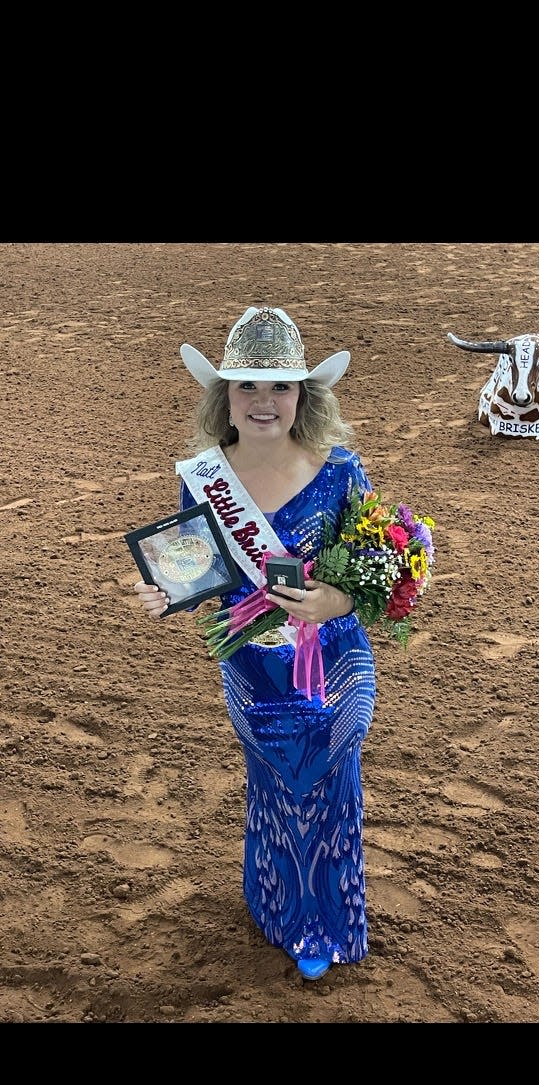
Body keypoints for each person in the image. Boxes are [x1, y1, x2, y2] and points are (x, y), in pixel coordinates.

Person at [134, 305, 376, 981]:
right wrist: (165, 593)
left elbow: (376, 574)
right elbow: (197, 571)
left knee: (326, 780)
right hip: (250, 670)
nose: (263, 401)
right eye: (247, 386)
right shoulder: (201, 478)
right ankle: (275, 903)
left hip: (334, 664)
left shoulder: (341, 471)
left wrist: (334, 600)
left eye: (280, 387)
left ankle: (322, 922)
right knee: (274, 786)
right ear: (225, 398)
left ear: (303, 397)